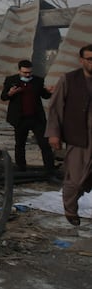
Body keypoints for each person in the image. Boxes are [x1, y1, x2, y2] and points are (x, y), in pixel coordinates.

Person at [46, 44, 92, 226]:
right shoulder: (69, 79)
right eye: (90, 59)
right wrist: (53, 134)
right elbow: (55, 108)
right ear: (81, 61)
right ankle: (71, 210)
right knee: (75, 178)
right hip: (79, 137)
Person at [0, 59, 55, 173]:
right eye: (25, 73)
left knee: (44, 144)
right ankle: (21, 168)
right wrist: (10, 93)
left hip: (36, 118)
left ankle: (50, 170)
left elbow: (44, 95)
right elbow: (4, 97)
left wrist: (49, 92)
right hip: (20, 118)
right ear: (19, 71)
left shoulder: (38, 81)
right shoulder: (11, 80)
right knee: (20, 144)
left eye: (29, 72)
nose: (27, 75)